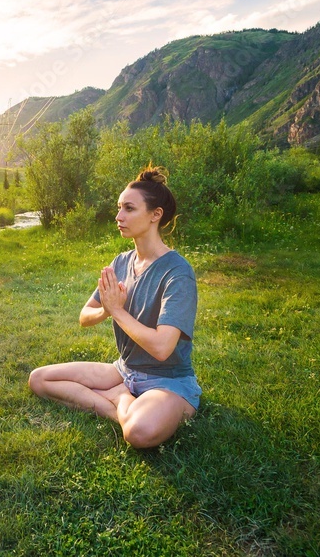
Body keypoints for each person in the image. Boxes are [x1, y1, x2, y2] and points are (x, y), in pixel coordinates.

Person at [28, 167, 200, 449]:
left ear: (155, 215)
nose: (119, 217)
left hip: (168, 382)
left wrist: (118, 311)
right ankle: (122, 402)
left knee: (139, 434)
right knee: (39, 379)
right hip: (125, 370)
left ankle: (120, 398)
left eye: (129, 209)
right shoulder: (121, 262)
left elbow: (161, 348)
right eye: (119, 208)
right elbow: (85, 317)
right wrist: (106, 309)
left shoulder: (177, 273)